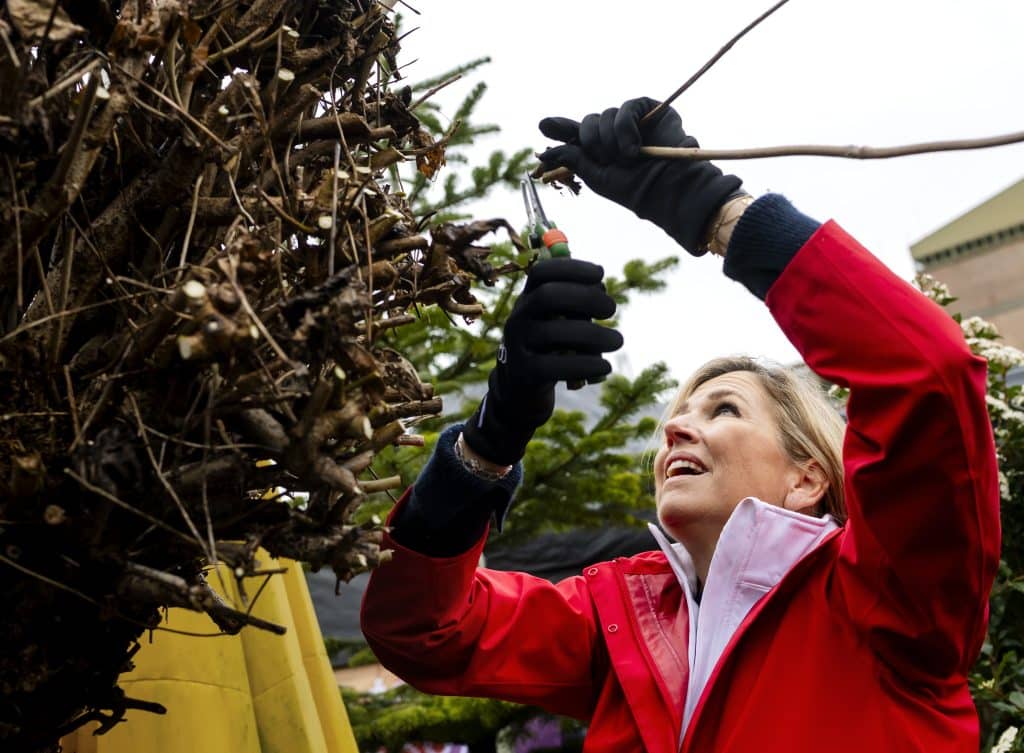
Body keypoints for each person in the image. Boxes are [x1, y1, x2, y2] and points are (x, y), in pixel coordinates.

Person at [360, 98, 1001, 752]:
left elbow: (929, 373)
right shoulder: (622, 618)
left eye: (722, 408)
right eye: (675, 417)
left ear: (809, 475)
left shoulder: (886, 595)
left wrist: (712, 207)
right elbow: (424, 632)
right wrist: (492, 437)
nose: (675, 431)